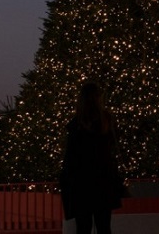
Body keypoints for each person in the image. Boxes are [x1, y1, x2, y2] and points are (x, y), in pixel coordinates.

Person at [60, 81, 124, 234]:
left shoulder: (76, 125)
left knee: (83, 227)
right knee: (104, 226)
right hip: (103, 182)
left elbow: (70, 159)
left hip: (82, 185)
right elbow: (112, 151)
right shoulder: (105, 122)